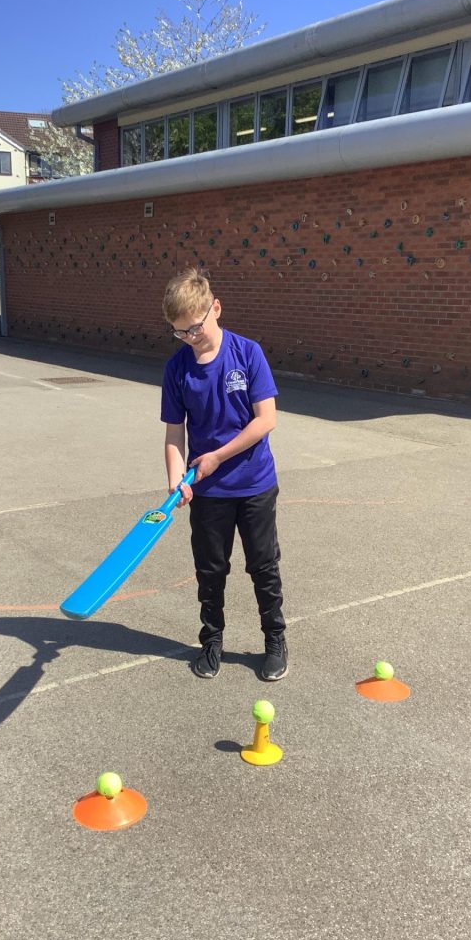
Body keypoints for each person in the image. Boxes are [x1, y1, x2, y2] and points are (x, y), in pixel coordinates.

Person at [160, 267, 287, 681]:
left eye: (195, 328)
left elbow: (266, 420)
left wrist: (216, 456)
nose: (190, 337)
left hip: (254, 484)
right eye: (180, 332)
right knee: (211, 571)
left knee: (263, 566)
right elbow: (175, 433)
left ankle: (275, 641)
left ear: (215, 308)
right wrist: (176, 479)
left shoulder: (248, 353)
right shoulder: (177, 369)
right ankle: (211, 642)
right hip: (208, 492)